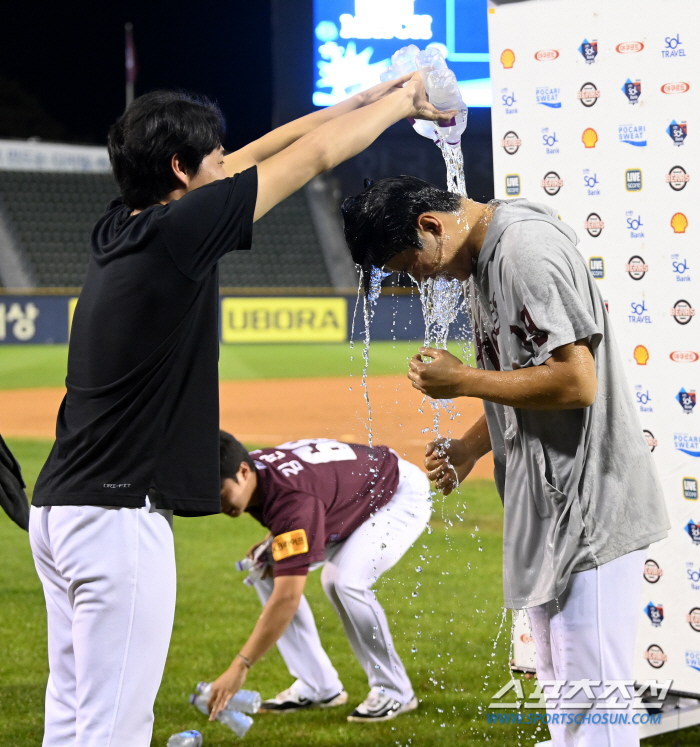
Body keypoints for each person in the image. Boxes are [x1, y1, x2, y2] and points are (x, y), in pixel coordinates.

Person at [28, 84, 452, 747]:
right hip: (116, 518)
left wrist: (373, 95)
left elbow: (267, 150)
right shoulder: (180, 232)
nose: (229, 168)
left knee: (73, 720)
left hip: (58, 511)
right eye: (215, 159)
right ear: (178, 167)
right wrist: (408, 105)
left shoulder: (120, 226)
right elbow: (310, 157)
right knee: (113, 730)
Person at [341, 177, 670, 747]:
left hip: (588, 508)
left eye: (413, 266)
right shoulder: (483, 258)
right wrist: (472, 445)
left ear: (431, 226)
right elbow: (523, 374)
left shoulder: (524, 251)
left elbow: (577, 380)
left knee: (596, 712)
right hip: (549, 513)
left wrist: (463, 380)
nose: (420, 281)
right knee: (565, 704)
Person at [207, 431, 431, 723]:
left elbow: (288, 597)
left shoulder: (292, 502)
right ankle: (318, 685)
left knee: (344, 581)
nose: (217, 504)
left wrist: (241, 666)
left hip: (396, 494)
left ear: (244, 471)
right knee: (265, 566)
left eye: (221, 493)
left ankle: (395, 690)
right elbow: (298, 500)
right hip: (351, 499)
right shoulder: (256, 471)